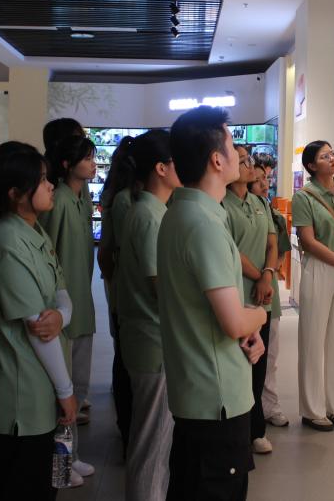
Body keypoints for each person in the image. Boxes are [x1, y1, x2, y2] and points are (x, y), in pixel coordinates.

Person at [157, 106, 266, 501]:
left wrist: (244, 323)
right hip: (215, 398)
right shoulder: (203, 223)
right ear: (217, 160)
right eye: (233, 145)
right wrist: (259, 315)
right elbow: (233, 322)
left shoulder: (186, 213)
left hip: (199, 389)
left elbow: (212, 310)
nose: (239, 154)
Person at [0, 142, 77, 501]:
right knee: (23, 485)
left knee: (45, 483)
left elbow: (62, 296)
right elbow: (38, 330)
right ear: (15, 193)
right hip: (22, 395)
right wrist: (66, 391)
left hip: (43, 387)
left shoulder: (36, 232)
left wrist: (62, 316)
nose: (50, 186)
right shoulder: (5, 241)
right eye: (42, 180)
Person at [115, 130, 181, 501]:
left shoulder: (152, 210)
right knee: (152, 446)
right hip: (152, 342)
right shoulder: (149, 215)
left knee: (155, 443)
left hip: (150, 341)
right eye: (176, 160)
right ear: (160, 168)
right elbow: (161, 287)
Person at [292, 140, 334, 433]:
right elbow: (308, 242)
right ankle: (312, 410)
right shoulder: (303, 197)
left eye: (333, 153)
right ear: (311, 166)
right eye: (324, 156)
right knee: (312, 338)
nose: (332, 158)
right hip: (319, 266)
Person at [41, 134, 98, 484]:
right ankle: (60, 466)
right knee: (62, 395)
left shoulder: (82, 197)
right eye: (87, 158)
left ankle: (71, 456)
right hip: (62, 312)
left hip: (82, 307)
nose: (93, 164)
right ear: (66, 164)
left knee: (77, 389)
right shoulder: (59, 199)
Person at [224, 146, 278, 455]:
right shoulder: (222, 205)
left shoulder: (259, 202)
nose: (249, 166)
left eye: (249, 161)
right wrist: (259, 277)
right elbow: (232, 250)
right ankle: (237, 430)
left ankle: (256, 430)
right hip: (237, 296)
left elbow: (272, 243)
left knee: (259, 365)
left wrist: (267, 276)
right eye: (242, 161)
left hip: (263, 295)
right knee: (237, 364)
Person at [97, 136, 138, 451]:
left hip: (123, 289)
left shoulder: (119, 197)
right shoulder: (128, 201)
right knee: (127, 358)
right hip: (131, 293)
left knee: (123, 353)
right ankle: (129, 430)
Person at [251, 164, 291, 429]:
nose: (265, 184)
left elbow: (278, 250)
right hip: (249, 290)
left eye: (266, 178)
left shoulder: (271, 213)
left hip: (269, 293)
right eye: (258, 180)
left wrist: (268, 272)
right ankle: (254, 413)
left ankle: (270, 406)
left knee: (270, 355)